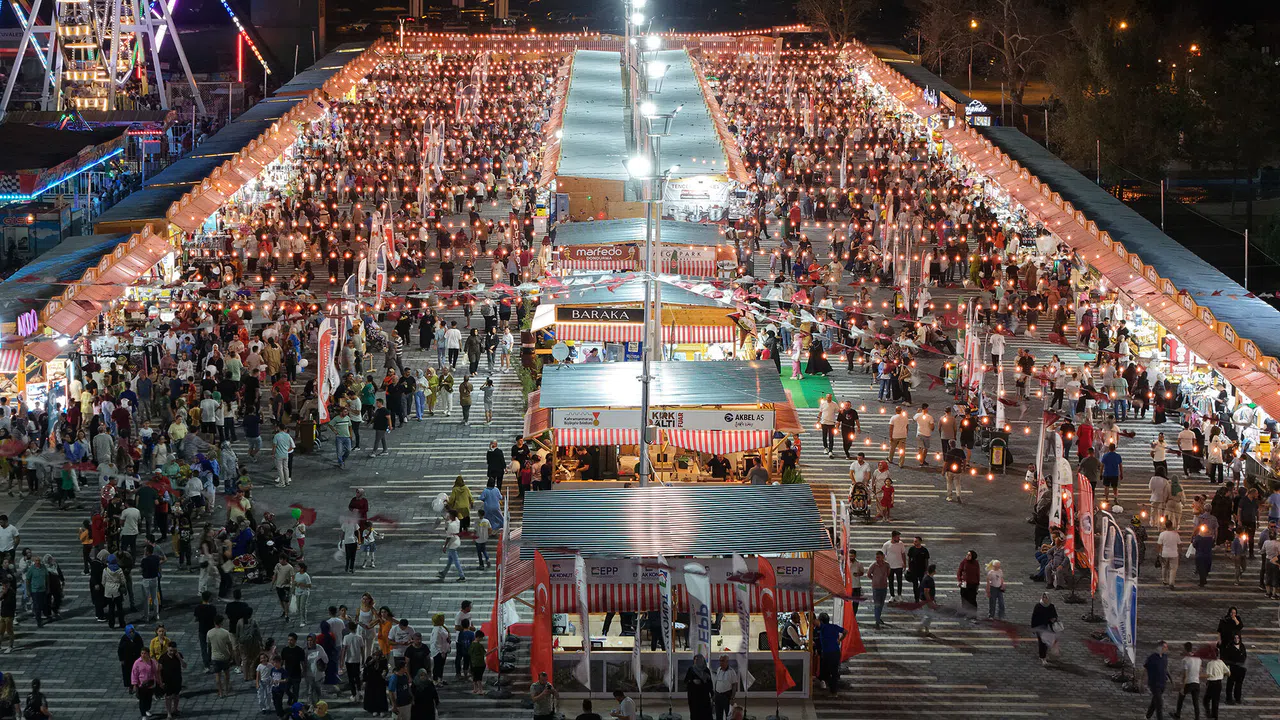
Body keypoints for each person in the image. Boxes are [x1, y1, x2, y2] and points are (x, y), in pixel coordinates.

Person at [814, 613, 845, 693]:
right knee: (834, 672)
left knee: (825, 671)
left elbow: (815, 622)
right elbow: (845, 631)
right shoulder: (834, 626)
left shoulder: (823, 627)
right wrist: (840, 640)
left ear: (821, 621)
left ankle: (831, 689)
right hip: (836, 652)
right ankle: (833, 691)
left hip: (827, 654)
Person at [208, 614, 236, 698]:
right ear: (221, 622)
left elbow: (208, 644)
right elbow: (229, 645)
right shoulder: (225, 633)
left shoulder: (209, 633)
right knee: (226, 674)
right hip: (225, 656)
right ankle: (226, 690)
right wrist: (232, 655)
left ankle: (220, 692)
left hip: (215, 657)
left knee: (218, 675)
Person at [158, 641, 187, 719]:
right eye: (170, 650)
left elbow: (185, 666)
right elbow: (159, 670)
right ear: (167, 648)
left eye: (174, 650)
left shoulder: (178, 655)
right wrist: (160, 682)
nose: (172, 652)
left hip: (177, 679)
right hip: (167, 680)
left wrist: (179, 658)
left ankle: (175, 709)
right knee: (168, 697)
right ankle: (169, 713)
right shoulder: (163, 657)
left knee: (176, 695)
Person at [130, 646, 161, 718]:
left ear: (148, 654)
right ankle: (143, 714)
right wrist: (134, 684)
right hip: (141, 685)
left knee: (149, 698)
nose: (143, 655)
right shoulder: (137, 662)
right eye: (142, 653)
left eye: (145, 653)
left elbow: (155, 672)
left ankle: (147, 709)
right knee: (142, 700)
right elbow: (134, 674)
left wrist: (158, 681)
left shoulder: (152, 662)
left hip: (150, 684)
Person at [1175, 641, 1202, 720]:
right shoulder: (1198, 658)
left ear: (1185, 649)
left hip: (1189, 682)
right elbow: (1200, 670)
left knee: (1181, 697)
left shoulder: (1185, 660)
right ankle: (1197, 717)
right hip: (1197, 682)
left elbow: (1185, 676)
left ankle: (1177, 714)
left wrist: (1182, 687)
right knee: (1195, 701)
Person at [1030, 593, 1059, 667]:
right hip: (1040, 627)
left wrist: (1054, 619)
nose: (1044, 599)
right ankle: (1043, 658)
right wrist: (1033, 627)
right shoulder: (1038, 606)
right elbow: (1034, 617)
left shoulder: (1051, 606)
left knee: (1047, 643)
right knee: (1042, 643)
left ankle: (1044, 655)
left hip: (1048, 627)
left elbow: (1055, 615)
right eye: (1044, 597)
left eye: (1046, 597)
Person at [684, 653, 714, 720]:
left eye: (698, 659)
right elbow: (686, 681)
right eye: (695, 659)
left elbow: (710, 683)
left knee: (706, 713)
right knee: (695, 714)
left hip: (704, 697)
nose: (696, 661)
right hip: (694, 697)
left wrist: (712, 693)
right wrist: (692, 681)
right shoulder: (691, 669)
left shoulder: (706, 670)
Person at [1145, 640, 1169, 720]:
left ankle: (1147, 716)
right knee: (1159, 704)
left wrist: (1171, 680)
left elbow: (1165, 669)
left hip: (1162, 684)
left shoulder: (1165, 657)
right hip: (1154, 684)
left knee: (1155, 702)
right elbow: (1145, 669)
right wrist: (1142, 682)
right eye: (1165, 647)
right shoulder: (1152, 658)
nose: (1166, 648)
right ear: (1160, 647)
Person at [1221, 634, 1247, 706]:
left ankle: (1237, 698)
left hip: (1241, 669)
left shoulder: (1242, 646)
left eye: (1238, 638)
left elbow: (1245, 655)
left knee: (1239, 684)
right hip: (1233, 668)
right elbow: (1226, 658)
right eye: (1235, 638)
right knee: (1230, 684)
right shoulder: (1229, 647)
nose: (1236, 639)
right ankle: (1228, 699)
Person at [1203, 649, 1228, 719]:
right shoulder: (1221, 662)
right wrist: (1221, 675)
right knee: (1215, 701)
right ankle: (1215, 716)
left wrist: (1200, 676)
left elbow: (1209, 675)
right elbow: (1228, 672)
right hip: (1219, 684)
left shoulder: (1210, 663)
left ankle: (1208, 714)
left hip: (1212, 683)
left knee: (1206, 700)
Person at [711, 654, 738, 720]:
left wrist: (732, 698)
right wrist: (714, 694)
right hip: (718, 696)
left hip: (726, 696)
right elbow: (717, 682)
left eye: (722, 661)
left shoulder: (731, 672)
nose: (721, 662)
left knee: (728, 715)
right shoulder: (718, 669)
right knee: (718, 714)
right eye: (720, 661)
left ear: (727, 661)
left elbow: (734, 685)